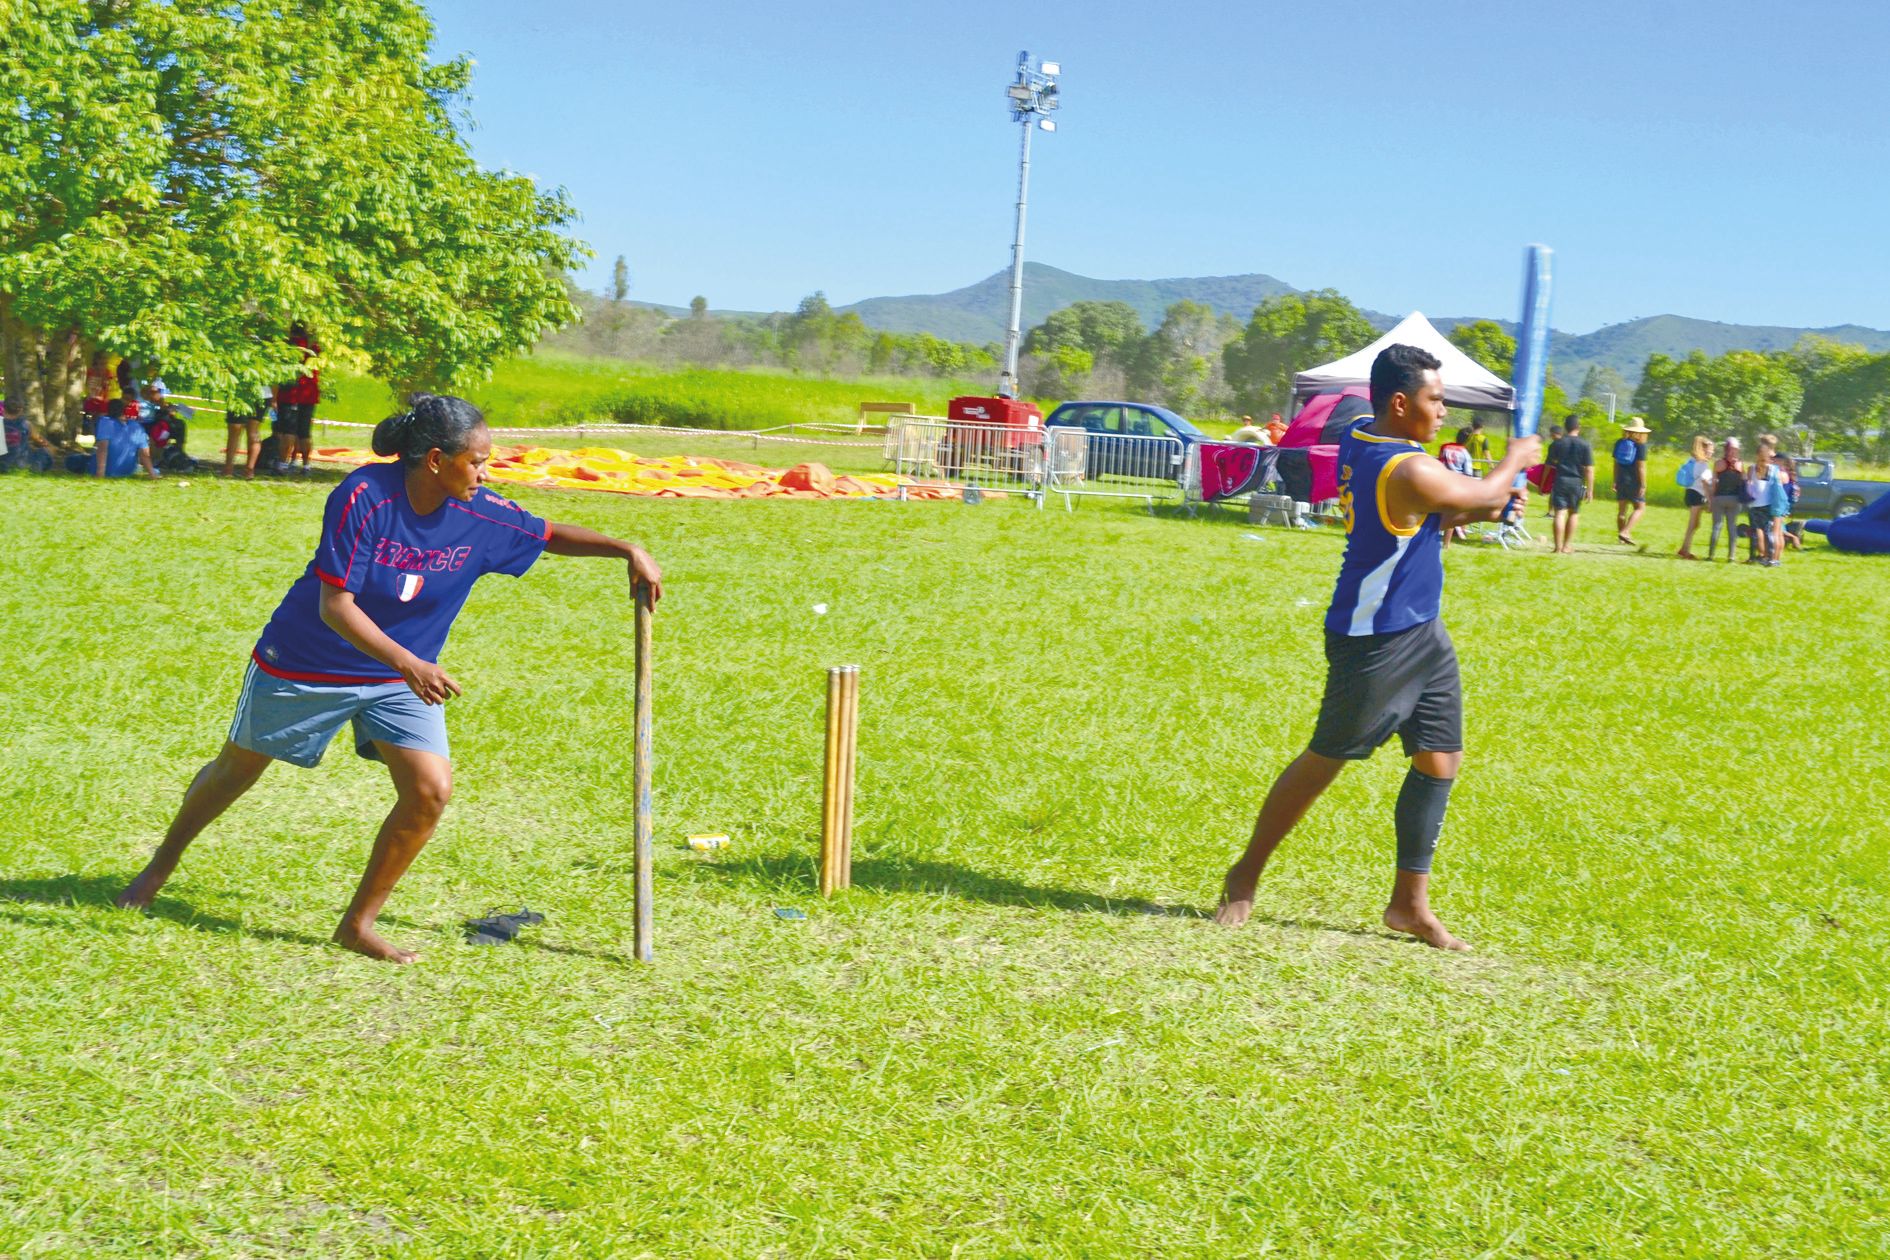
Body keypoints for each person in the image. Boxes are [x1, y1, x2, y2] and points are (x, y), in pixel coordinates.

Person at [115, 395, 665, 963]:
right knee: (237, 769)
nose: (485, 473)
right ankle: (159, 868)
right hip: (308, 661)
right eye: (476, 461)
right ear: (434, 460)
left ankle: (357, 925)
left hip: (400, 679)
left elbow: (547, 533)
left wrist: (628, 550)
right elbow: (336, 605)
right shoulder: (364, 496)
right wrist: (410, 663)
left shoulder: (480, 512)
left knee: (429, 791)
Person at [1214, 345, 1538, 952]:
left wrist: (1486, 497)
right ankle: (1245, 873)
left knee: (1439, 759)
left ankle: (1408, 905)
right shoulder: (1405, 468)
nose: (1444, 411)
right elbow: (1472, 498)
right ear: (1399, 402)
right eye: (1435, 399)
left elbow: (1451, 508)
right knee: (1325, 760)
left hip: (1421, 630)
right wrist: (1516, 460)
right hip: (1375, 639)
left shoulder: (1364, 435)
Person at [65, 396, 159, 478]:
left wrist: (100, 473)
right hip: (127, 471)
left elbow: (103, 449)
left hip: (107, 470)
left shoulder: (105, 422)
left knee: (73, 460)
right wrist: (152, 474)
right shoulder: (136, 427)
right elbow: (145, 454)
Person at [275, 322, 320, 475]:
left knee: (288, 431)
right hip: (310, 395)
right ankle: (306, 465)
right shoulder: (313, 347)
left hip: (291, 394)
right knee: (305, 432)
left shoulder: (288, 347)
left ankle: (282, 464)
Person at [1545, 416, 1593, 554]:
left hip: (1560, 480)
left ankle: (1557, 547)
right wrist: (1590, 489)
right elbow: (1589, 469)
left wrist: (1543, 484)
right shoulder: (1585, 445)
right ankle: (1566, 546)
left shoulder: (1557, 444)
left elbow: (1549, 464)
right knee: (1573, 513)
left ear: (1565, 427)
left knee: (1559, 513)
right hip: (1576, 482)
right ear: (1579, 427)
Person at [1676, 434, 1715, 559]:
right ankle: (1685, 549)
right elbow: (1705, 484)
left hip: (1690, 493)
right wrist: (1710, 501)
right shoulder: (1703, 465)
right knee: (1692, 524)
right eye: (1710, 450)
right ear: (1703, 450)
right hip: (1697, 495)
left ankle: (1685, 548)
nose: (1712, 452)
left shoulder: (1691, 460)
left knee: (1696, 523)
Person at [1707, 438, 1745, 561]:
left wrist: (1711, 499)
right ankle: (1731, 556)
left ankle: (1711, 555)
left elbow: (1714, 483)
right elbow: (1743, 482)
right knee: (1732, 527)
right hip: (1734, 499)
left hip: (1719, 497)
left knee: (1717, 526)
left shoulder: (1718, 463)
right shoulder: (1740, 464)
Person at [1612, 419, 1650, 543]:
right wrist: (1643, 484)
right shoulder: (1641, 446)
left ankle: (1621, 539)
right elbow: (1641, 467)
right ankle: (1625, 532)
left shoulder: (1619, 443)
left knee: (1622, 511)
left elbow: (1615, 464)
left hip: (1621, 479)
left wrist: (1615, 480)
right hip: (1634, 481)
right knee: (1640, 508)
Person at [1745, 441, 1781, 566]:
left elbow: (1748, 483)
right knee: (1768, 532)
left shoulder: (1751, 468)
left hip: (1754, 504)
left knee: (1754, 532)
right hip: (1767, 504)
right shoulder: (1773, 470)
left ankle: (1752, 557)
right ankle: (1770, 558)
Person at [224, 389, 271, 480]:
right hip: (263, 393)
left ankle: (228, 470)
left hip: (241, 392)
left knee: (235, 430)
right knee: (253, 431)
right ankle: (249, 470)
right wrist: (273, 399)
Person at [1, 395, 55, 473]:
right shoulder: (26, 424)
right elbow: (40, 441)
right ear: (21, 410)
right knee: (47, 451)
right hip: (21, 462)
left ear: (4, 409)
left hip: (3, 462)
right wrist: (51, 447)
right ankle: (35, 465)